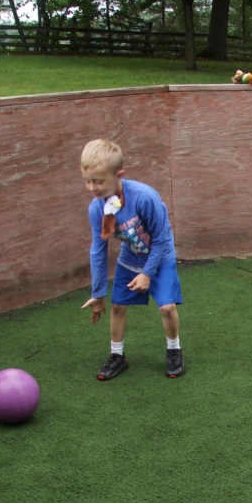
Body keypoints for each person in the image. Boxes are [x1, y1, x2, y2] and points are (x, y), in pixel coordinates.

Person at [80, 139, 185, 379]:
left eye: (98, 181)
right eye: (87, 181)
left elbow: (159, 239)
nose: (92, 187)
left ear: (118, 175)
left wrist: (147, 274)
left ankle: (174, 350)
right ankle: (117, 356)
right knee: (118, 306)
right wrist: (98, 294)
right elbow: (98, 250)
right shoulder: (96, 209)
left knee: (167, 308)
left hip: (160, 256)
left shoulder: (144, 197)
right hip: (130, 257)